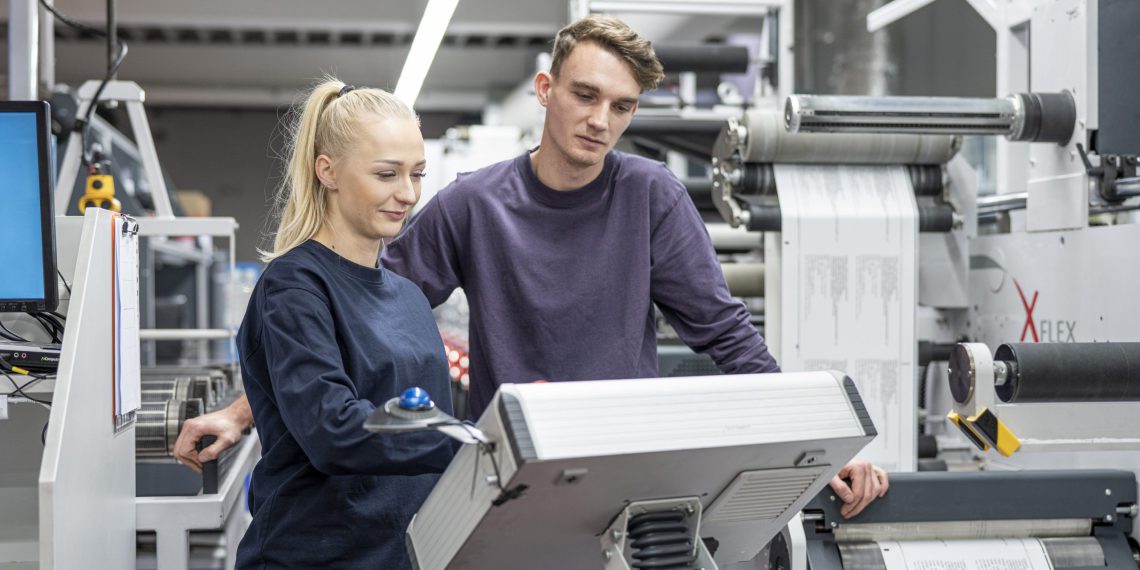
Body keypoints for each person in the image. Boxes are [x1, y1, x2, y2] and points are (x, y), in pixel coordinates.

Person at [176, 15, 888, 520]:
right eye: (586, 95)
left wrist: (819, 444)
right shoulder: (472, 206)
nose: (601, 120)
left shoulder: (652, 199)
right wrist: (244, 412)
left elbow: (726, 333)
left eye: (622, 107)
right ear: (546, 89)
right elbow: (353, 322)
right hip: (511, 478)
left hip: (625, 473)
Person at [227, 79, 453, 568]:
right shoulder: (294, 288)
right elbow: (334, 432)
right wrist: (465, 441)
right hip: (316, 556)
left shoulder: (409, 297)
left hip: (403, 555)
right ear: (327, 171)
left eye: (417, 174)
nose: (407, 193)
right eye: (387, 174)